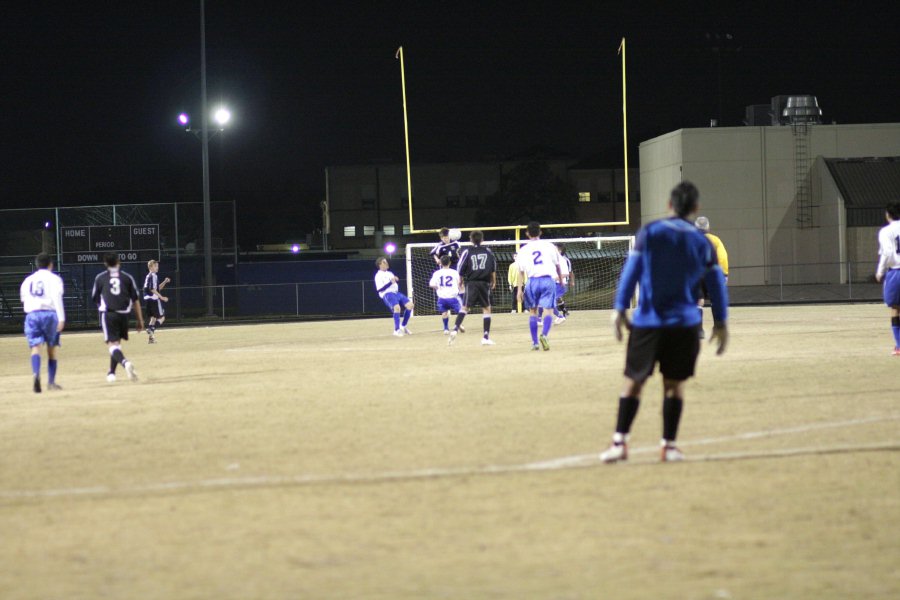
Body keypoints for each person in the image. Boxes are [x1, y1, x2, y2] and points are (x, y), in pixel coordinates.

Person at [602, 182, 729, 463]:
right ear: (695, 208)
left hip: (648, 321)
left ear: (669, 205)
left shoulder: (650, 232)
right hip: (684, 323)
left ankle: (620, 442)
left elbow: (630, 271)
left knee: (633, 382)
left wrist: (620, 307)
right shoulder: (702, 242)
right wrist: (721, 320)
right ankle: (668, 445)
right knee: (674, 385)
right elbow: (716, 284)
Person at [91, 253, 144, 382]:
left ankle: (126, 363)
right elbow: (136, 300)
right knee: (116, 344)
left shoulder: (100, 278)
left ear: (105, 264)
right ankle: (111, 373)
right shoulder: (127, 278)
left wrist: (102, 305)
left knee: (112, 344)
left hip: (109, 313)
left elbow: (95, 298)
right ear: (118, 262)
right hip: (124, 314)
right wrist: (140, 320)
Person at [20, 253, 66, 393]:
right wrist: (61, 318)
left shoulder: (28, 280)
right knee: (51, 350)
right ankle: (51, 382)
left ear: (37, 264)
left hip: (32, 314)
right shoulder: (55, 279)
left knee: (35, 347)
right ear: (50, 264)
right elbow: (57, 298)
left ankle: (36, 374)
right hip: (49, 314)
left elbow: (23, 299)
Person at [516, 221, 562, 351]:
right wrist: (562, 281)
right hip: (548, 280)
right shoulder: (549, 246)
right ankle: (545, 335)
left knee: (533, 312)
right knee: (549, 311)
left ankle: (535, 343)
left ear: (526, 233)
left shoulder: (523, 249)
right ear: (540, 232)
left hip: (532, 281)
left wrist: (519, 290)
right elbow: (557, 265)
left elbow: (520, 271)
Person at [451, 230, 497, 346]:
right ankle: (485, 337)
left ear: (471, 240)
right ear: (482, 239)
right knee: (486, 308)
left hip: (471, 283)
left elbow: (460, 267)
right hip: (484, 283)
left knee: (465, 307)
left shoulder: (467, 251)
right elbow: (493, 268)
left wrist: (460, 280)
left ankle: (455, 329)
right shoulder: (488, 251)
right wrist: (494, 281)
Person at [694, 216, 729, 339]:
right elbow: (722, 257)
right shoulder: (715, 240)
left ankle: (699, 331)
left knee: (698, 301)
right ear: (708, 228)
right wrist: (724, 274)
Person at [875, 202, 900, 355]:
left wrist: (880, 271)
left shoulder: (886, 231)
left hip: (896, 272)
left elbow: (887, 252)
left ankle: (899, 345)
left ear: (888, 214)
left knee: (895, 308)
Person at [374, 256, 413, 337]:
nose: (387, 263)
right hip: (387, 294)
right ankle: (396, 330)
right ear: (380, 264)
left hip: (396, 293)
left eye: (386, 261)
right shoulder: (378, 275)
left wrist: (395, 279)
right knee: (397, 308)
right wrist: (390, 282)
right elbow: (379, 289)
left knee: (410, 305)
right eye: (384, 262)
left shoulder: (389, 273)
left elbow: (393, 282)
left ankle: (403, 326)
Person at [429, 255, 462, 335]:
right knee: (460, 312)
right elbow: (459, 283)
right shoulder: (454, 272)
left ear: (440, 262)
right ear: (450, 262)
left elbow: (431, 284)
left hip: (442, 298)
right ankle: (458, 325)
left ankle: (446, 329)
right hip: (452, 297)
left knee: (444, 313)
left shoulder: (437, 273)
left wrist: (438, 288)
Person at [143, 259, 171, 344]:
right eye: (155, 266)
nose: (157, 268)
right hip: (154, 300)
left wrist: (165, 282)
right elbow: (152, 289)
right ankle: (151, 329)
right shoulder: (153, 275)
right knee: (162, 318)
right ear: (150, 267)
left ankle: (151, 339)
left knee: (153, 318)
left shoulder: (149, 276)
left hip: (148, 300)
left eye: (157, 266)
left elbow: (157, 288)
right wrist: (162, 297)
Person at [553, 244, 573, 324]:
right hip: (555, 284)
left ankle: (559, 316)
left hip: (560, 284)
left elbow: (568, 273)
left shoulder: (563, 260)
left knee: (550, 301)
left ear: (559, 251)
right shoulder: (554, 259)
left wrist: (572, 281)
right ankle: (562, 312)